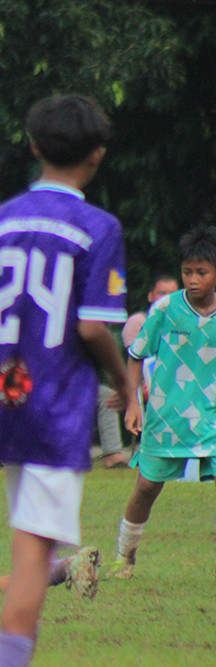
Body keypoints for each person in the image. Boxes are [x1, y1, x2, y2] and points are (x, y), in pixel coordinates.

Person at [0, 94, 130, 667]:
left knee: (31, 533)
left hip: (5, 398)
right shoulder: (99, 226)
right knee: (35, 547)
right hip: (58, 402)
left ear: (34, 147)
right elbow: (92, 327)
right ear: (97, 156)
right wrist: (124, 379)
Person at [111, 227, 216, 579]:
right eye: (188, 271)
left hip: (212, 417)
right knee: (146, 487)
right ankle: (124, 557)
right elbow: (136, 354)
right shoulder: (166, 310)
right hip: (168, 415)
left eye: (201, 272)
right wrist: (133, 402)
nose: (193, 280)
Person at [98, 274, 179, 469]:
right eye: (162, 293)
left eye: (172, 294)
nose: (166, 298)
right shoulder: (139, 322)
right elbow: (137, 360)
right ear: (151, 296)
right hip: (143, 382)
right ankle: (122, 453)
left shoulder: (187, 323)